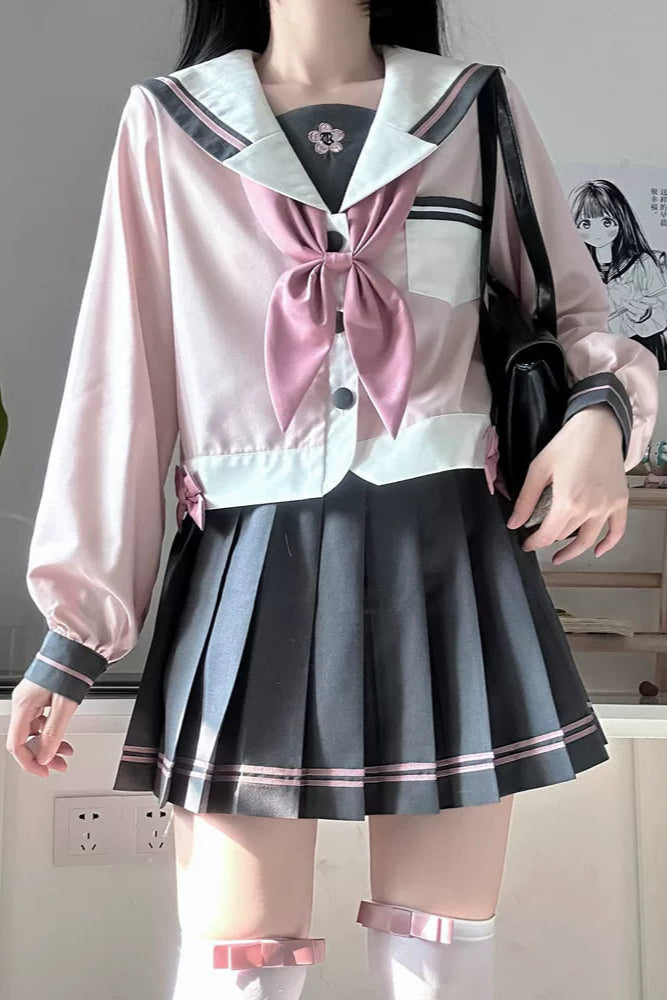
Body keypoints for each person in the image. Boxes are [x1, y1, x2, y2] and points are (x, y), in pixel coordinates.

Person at [6, 1, 660, 998]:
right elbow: (120, 378)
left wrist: (601, 416)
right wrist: (76, 633)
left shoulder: (471, 109)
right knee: (238, 973)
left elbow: (573, 313)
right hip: (249, 569)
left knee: (440, 968)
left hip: (450, 564)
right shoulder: (172, 124)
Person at [570, 178, 667, 367]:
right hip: (590, 353)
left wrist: (645, 314)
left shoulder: (642, 263)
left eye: (606, 222)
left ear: (622, 221)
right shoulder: (575, 267)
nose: (597, 232)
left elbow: (662, 313)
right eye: (586, 224)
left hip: (637, 352)